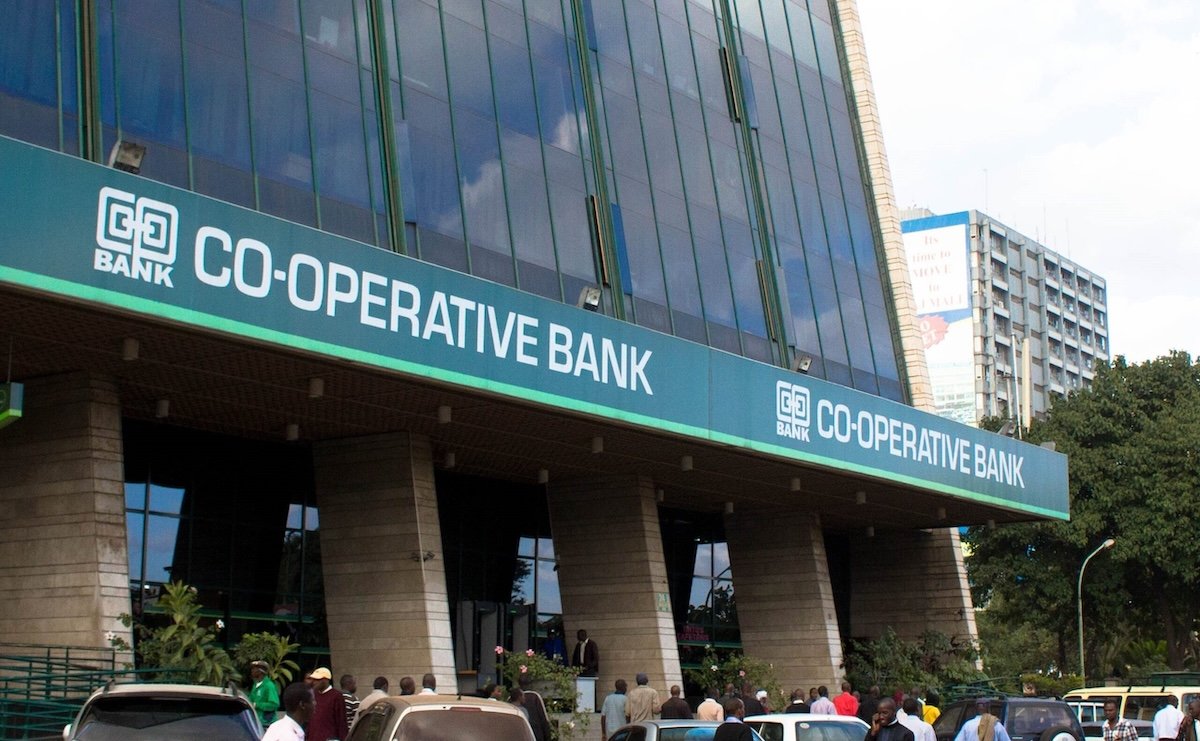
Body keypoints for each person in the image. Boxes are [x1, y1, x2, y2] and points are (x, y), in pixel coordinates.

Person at [305, 667, 348, 741]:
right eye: (313, 679)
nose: (314, 682)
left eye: (317, 680)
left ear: (325, 680)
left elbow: (341, 722)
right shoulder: (313, 695)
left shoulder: (336, 696)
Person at [519, 674, 553, 741]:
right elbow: (543, 719)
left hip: (519, 735)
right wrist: (547, 736)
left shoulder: (511, 698)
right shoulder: (535, 696)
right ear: (530, 684)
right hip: (535, 734)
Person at [248, 660, 281, 727]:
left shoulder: (269, 686)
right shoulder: (255, 685)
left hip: (266, 724)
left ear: (261, 671)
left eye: (254, 668)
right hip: (256, 722)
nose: (252, 670)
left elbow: (274, 704)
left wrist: (257, 705)